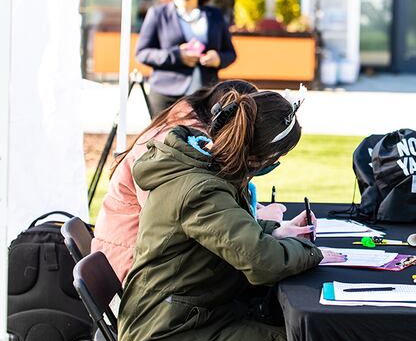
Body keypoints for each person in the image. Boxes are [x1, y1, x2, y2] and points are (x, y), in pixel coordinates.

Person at [118, 87, 344, 341]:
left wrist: (275, 231)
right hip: (167, 331)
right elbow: (262, 262)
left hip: (188, 314)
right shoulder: (202, 190)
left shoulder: (205, 166)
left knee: (293, 329)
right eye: (279, 156)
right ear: (261, 157)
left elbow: (230, 230)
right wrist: (313, 252)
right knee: (299, 339)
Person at [91, 79, 288, 283]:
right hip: (133, 265)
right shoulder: (175, 147)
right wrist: (256, 217)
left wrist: (257, 220)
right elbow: (179, 213)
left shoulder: (186, 134)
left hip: (138, 255)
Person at [136, 0, 238, 115]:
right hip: (166, 96)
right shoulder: (157, 14)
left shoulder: (215, 16)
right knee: (167, 140)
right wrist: (177, 56)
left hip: (206, 96)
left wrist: (218, 59)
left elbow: (230, 53)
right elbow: (142, 53)